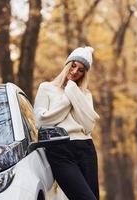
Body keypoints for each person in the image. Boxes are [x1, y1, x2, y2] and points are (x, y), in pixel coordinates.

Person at [33, 46, 100, 200]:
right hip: (59, 149)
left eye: (81, 70)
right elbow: (41, 121)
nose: (75, 71)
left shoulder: (84, 94)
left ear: (85, 74)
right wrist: (69, 96)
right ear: (67, 64)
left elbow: (88, 126)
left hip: (86, 148)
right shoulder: (46, 88)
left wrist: (75, 92)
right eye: (74, 65)